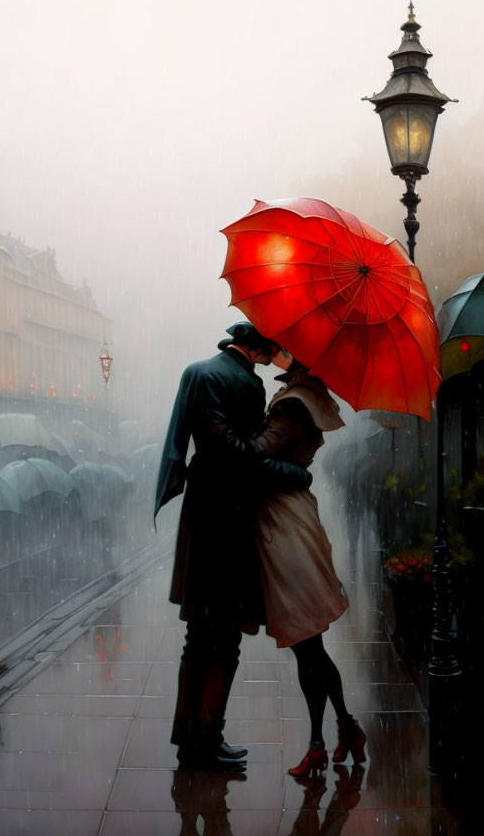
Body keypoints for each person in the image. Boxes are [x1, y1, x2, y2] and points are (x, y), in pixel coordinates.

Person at [155, 321, 312, 769]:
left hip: (200, 516)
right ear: (257, 345)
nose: (276, 354)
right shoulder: (244, 382)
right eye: (273, 347)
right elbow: (243, 456)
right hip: (228, 521)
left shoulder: (198, 372)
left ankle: (190, 740)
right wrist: (294, 474)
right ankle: (206, 738)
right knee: (222, 638)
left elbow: (211, 448)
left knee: (198, 637)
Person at [249, 351, 366, 777]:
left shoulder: (294, 402)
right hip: (293, 520)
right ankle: (345, 728)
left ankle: (321, 741)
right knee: (310, 644)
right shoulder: (307, 397)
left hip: (284, 528)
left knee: (306, 643)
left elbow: (257, 454)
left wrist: (229, 434)